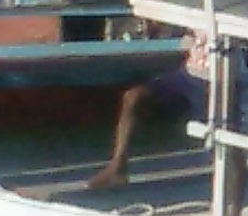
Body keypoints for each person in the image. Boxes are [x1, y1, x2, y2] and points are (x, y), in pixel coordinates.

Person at [89, 36, 226, 189]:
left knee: (219, 136)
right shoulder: (195, 18)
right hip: (186, 75)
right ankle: (118, 168)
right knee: (133, 97)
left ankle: (224, 192)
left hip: (216, 81)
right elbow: (185, 42)